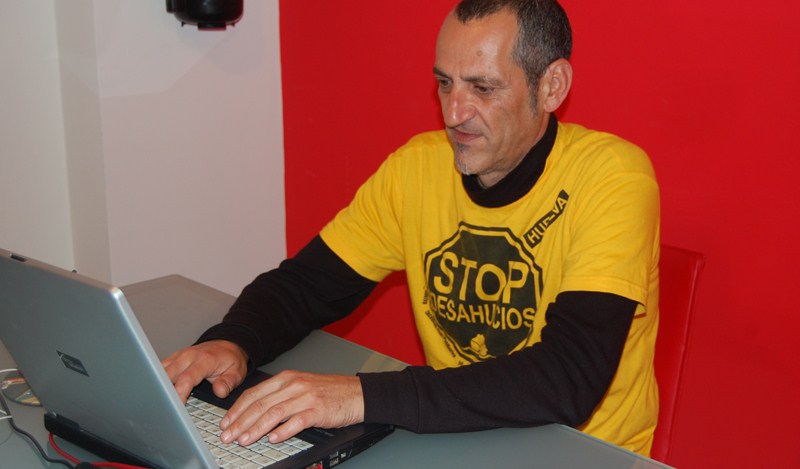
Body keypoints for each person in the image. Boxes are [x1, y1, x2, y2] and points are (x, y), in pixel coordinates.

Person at [164, 0, 660, 457]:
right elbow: (307, 285)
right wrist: (234, 340)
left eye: (483, 88)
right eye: (445, 83)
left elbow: (568, 378)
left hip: (586, 452)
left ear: (552, 86)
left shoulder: (613, 178)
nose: (454, 113)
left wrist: (359, 395)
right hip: (466, 436)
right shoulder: (416, 169)